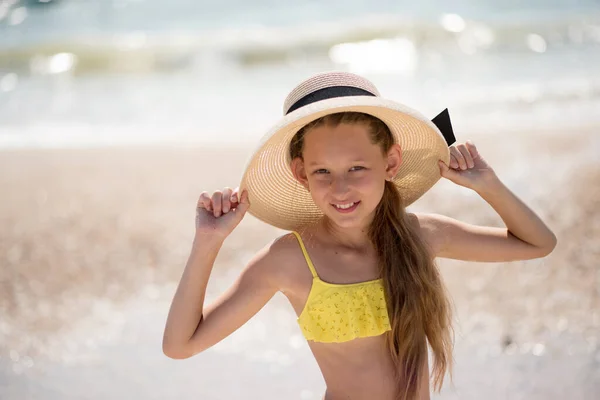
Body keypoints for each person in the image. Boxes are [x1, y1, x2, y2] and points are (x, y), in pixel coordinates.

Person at [162, 72, 557, 400]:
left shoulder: (419, 236)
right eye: (322, 172)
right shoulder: (290, 260)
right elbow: (180, 345)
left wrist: (487, 185)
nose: (340, 189)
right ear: (301, 174)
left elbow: (538, 244)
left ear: (390, 162)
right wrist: (207, 243)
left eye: (356, 168)